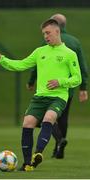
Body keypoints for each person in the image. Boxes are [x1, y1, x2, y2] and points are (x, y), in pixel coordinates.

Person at [0, 19, 82, 171]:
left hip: (58, 97)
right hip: (40, 97)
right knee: (27, 123)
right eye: (44, 34)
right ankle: (27, 164)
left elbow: (77, 78)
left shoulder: (69, 54)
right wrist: (2, 60)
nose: (45, 36)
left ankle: (37, 154)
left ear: (57, 32)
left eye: (48, 33)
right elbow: (21, 64)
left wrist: (61, 81)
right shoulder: (40, 52)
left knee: (49, 118)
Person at [26, 14, 88, 159]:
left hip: (50, 88)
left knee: (46, 117)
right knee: (63, 117)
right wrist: (83, 87)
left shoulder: (46, 43)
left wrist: (31, 81)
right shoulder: (75, 42)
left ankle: (59, 140)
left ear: (56, 27)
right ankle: (59, 149)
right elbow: (82, 67)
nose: (46, 35)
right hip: (69, 90)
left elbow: (37, 65)